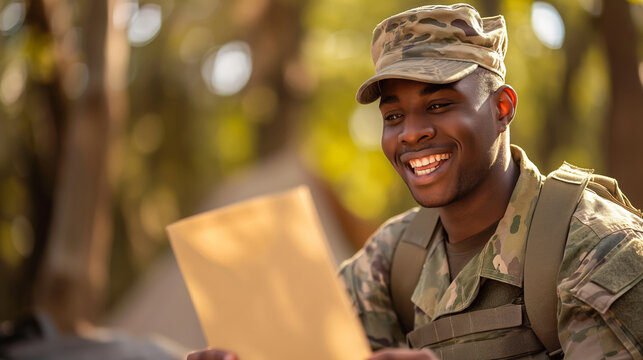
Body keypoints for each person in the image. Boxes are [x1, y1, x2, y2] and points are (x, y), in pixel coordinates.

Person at [187, 3, 642, 360]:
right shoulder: (393, 258)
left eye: (439, 105)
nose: (411, 132)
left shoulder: (598, 249)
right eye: (393, 115)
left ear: (502, 108)